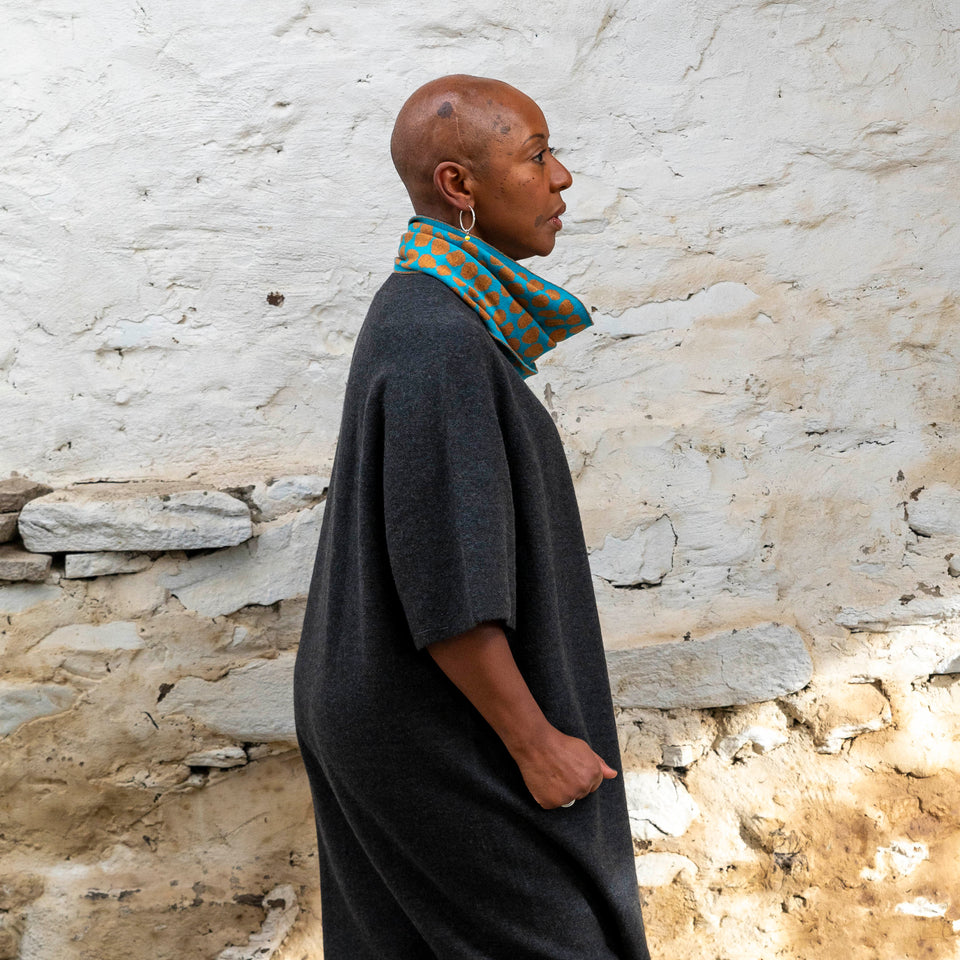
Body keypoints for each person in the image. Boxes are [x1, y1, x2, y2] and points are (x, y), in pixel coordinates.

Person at [294, 74, 651, 960]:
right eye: (536, 156)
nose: (562, 177)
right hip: (435, 734)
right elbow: (451, 585)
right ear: (460, 187)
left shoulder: (428, 312)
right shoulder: (440, 342)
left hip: (400, 718)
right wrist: (537, 746)